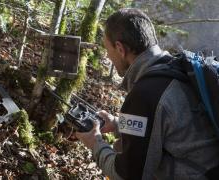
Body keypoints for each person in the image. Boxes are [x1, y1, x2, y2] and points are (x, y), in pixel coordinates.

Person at [75, 8, 219, 180]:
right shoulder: (178, 69)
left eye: (108, 49)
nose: (108, 55)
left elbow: (127, 175)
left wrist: (95, 143)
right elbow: (170, 127)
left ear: (120, 48)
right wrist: (118, 124)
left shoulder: (145, 94)